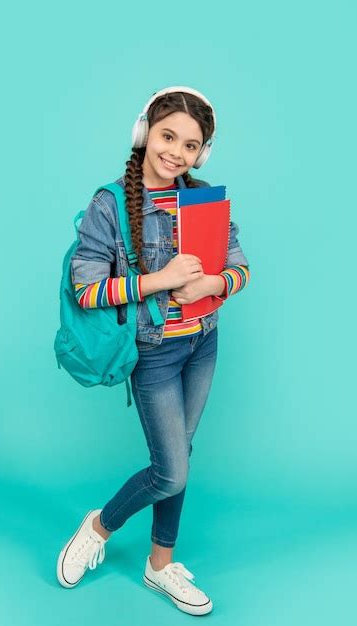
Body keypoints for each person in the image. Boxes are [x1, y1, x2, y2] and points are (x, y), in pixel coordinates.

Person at [56, 86, 250, 616]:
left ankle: (159, 565)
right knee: (172, 470)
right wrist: (157, 280)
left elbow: (241, 269)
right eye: (168, 136)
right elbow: (87, 289)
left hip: (204, 344)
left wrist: (213, 283)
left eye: (191, 145)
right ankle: (99, 526)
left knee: (179, 459)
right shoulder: (109, 205)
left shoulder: (205, 198)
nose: (177, 153)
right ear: (145, 133)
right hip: (157, 354)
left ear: (201, 153)